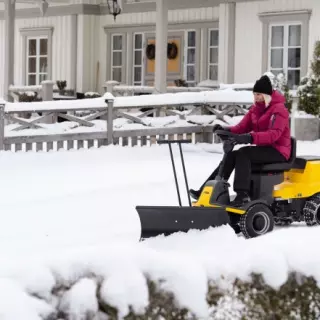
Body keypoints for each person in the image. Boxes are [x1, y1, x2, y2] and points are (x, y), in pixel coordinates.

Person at [189, 75, 291, 206]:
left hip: (278, 150)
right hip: (263, 148)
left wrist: (250, 137)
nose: (256, 97)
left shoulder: (279, 110)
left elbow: (274, 135)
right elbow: (242, 127)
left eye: (259, 94)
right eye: (255, 94)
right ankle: (208, 190)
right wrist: (226, 130)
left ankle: (242, 194)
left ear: (266, 95)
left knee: (244, 153)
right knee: (231, 155)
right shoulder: (255, 109)